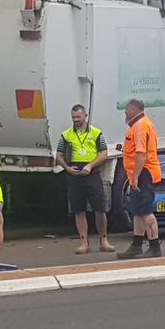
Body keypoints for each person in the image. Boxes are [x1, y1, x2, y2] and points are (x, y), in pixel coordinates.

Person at [56, 104, 116, 254]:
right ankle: (84, 242)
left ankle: (104, 240)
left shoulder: (96, 133)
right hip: (74, 174)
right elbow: (59, 155)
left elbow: (103, 153)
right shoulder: (66, 135)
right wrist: (67, 167)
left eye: (78, 117)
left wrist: (90, 165)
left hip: (92, 172)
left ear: (85, 116)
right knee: (78, 210)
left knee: (100, 208)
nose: (76, 120)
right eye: (73, 117)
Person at [117, 99, 163, 259]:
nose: (125, 113)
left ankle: (154, 246)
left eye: (126, 110)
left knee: (145, 211)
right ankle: (136, 245)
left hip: (143, 173)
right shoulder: (142, 124)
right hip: (141, 173)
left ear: (133, 110)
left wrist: (135, 177)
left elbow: (141, 153)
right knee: (137, 211)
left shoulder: (140, 126)